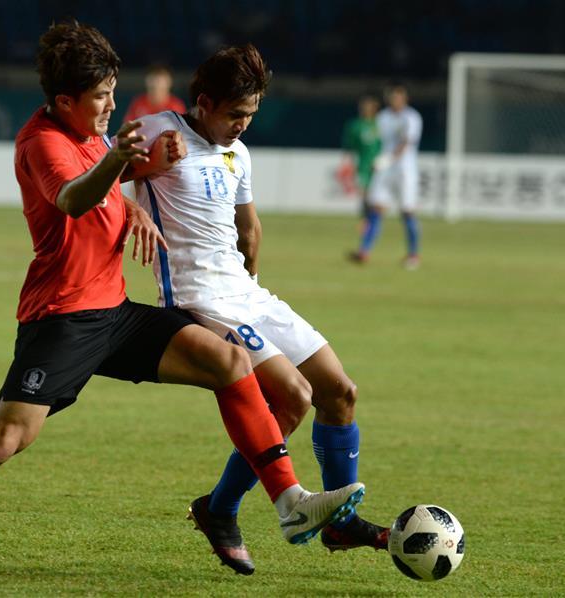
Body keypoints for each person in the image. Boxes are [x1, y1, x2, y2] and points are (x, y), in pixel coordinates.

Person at [0, 23, 364, 587]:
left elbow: (107, 184)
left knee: (229, 360)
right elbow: (73, 198)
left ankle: (289, 502)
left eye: (113, 92)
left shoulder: (90, 132)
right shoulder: (42, 142)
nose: (113, 106)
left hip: (116, 311)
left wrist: (133, 200)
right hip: (64, 319)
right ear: (65, 100)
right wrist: (119, 164)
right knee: (5, 437)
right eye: (101, 96)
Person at [129, 45, 388, 576]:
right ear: (204, 103)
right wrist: (135, 200)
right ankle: (220, 509)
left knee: (340, 392)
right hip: (198, 297)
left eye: (251, 114)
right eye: (235, 114)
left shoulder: (238, 153)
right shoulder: (156, 130)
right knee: (292, 396)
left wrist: (251, 280)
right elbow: (99, 172)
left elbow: (249, 229)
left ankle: (338, 524)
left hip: (246, 293)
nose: (243, 125)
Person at [348, 84, 423, 270]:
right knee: (376, 209)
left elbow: (406, 142)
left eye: (398, 97)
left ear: (405, 99)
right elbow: (376, 141)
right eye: (392, 97)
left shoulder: (411, 117)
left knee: (407, 212)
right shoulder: (383, 117)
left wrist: (388, 159)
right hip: (385, 170)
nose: (395, 100)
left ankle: (413, 254)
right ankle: (364, 251)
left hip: (404, 170)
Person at [338, 94, 380, 217]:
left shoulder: (380, 124)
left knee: (377, 196)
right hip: (363, 164)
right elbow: (348, 146)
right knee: (365, 194)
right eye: (363, 106)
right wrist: (346, 163)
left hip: (381, 165)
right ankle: (367, 220)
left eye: (368, 106)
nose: (365, 109)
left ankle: (373, 220)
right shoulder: (355, 125)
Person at [122, 64, 187, 123]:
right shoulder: (137, 104)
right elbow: (127, 127)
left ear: (169, 84)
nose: (156, 84)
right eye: (153, 86)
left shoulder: (177, 106)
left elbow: (182, 130)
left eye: (160, 81)